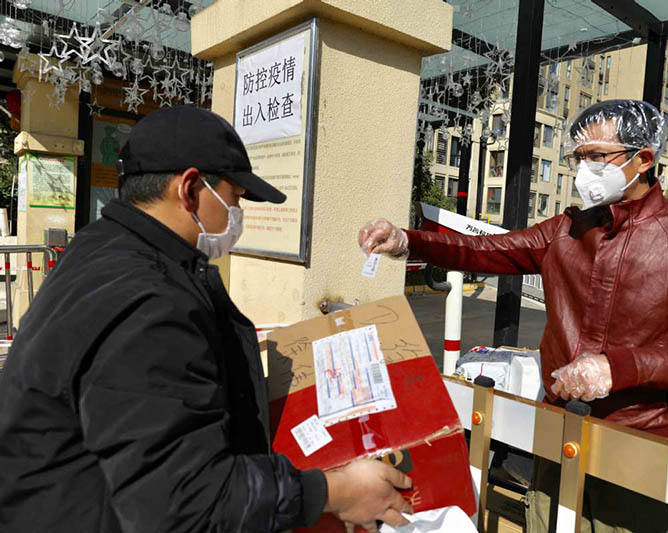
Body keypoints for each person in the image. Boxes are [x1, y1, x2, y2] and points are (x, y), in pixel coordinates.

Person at [0, 106, 412, 533]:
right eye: (235, 198)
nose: (239, 214)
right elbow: (185, 500)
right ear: (191, 189)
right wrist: (337, 491)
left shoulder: (105, 248)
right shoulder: (149, 303)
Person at [359, 99, 668, 532]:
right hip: (558, 432)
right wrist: (409, 241)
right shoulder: (567, 230)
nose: (584, 169)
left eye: (597, 156)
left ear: (644, 159)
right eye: (578, 158)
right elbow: (487, 249)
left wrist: (618, 368)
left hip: (642, 444)